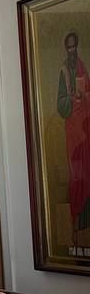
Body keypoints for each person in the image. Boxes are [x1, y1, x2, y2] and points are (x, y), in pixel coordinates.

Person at [58, 30, 90, 241]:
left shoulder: (82, 67)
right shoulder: (63, 71)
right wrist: (70, 98)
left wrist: (83, 95)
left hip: (86, 126)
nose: (72, 50)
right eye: (69, 47)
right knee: (76, 174)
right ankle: (76, 224)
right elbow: (60, 103)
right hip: (72, 130)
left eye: (74, 46)